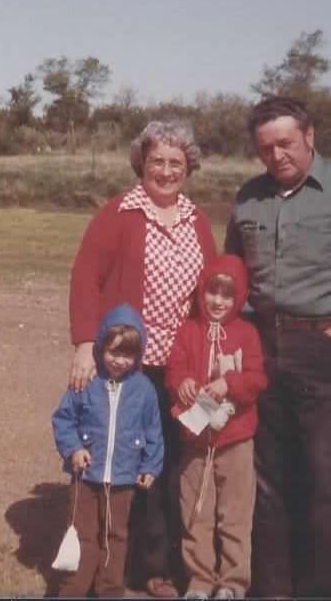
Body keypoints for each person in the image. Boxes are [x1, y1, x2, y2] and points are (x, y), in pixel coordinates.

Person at [224, 95, 331, 598]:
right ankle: (272, 588)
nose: (276, 155)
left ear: (309, 137)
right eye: (265, 148)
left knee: (325, 482)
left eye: (285, 143)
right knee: (268, 481)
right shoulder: (249, 198)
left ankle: (317, 589)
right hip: (265, 348)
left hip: (330, 353)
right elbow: (233, 270)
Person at [68, 120, 218, 597]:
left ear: (188, 168)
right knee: (123, 460)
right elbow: (85, 278)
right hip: (129, 365)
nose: (167, 171)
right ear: (142, 164)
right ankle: (114, 564)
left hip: (183, 367)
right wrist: (82, 345)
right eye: (158, 161)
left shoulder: (196, 219)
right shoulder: (119, 213)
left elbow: (214, 289)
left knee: (174, 461)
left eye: (177, 162)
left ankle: (160, 565)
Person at [166, 254, 267, 600]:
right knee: (196, 512)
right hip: (196, 440)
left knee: (235, 515)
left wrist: (230, 384)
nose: (218, 302)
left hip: (236, 440)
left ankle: (233, 583)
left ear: (239, 298)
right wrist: (182, 383)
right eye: (212, 292)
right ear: (201, 291)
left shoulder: (247, 333)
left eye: (227, 295)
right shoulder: (187, 330)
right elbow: (175, 369)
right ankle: (199, 580)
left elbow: (257, 379)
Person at [51, 303, 164, 598]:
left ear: (138, 355)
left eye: (127, 354)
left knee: (116, 537)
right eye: (113, 352)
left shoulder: (144, 390)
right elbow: (64, 419)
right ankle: (74, 589)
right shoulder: (87, 383)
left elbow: (153, 431)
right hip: (86, 478)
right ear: (101, 347)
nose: (119, 361)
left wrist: (151, 466)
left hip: (123, 479)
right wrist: (73, 449)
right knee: (83, 535)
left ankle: (109, 590)